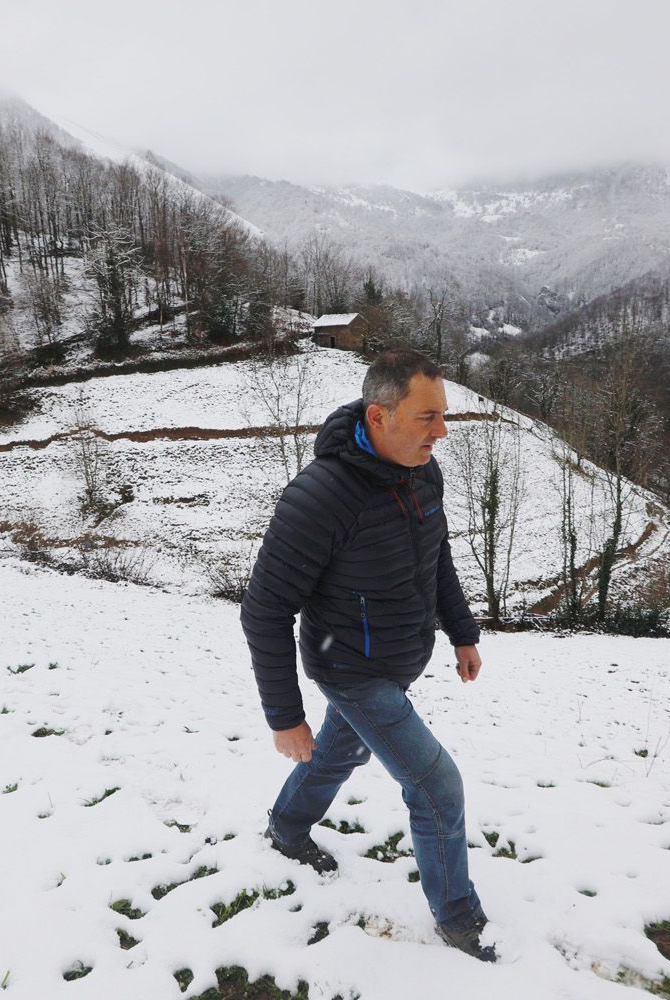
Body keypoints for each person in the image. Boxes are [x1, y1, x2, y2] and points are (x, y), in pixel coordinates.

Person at [240, 347, 496, 962]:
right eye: (427, 416)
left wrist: (461, 631)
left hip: (399, 658)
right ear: (378, 417)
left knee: (337, 754)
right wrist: (284, 716)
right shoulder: (320, 497)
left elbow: (437, 557)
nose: (442, 432)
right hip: (350, 668)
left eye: (443, 415)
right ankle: (459, 919)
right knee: (437, 786)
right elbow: (265, 610)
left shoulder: (419, 469)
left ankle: (287, 827)